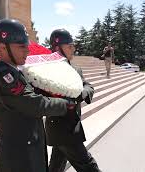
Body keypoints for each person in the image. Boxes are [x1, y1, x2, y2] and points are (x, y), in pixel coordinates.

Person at [0, 19, 75, 172]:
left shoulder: (16, 72)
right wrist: (64, 104)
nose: (27, 50)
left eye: (26, 45)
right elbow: (34, 104)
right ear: (2, 47)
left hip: (28, 152)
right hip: (18, 159)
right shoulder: (4, 75)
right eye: (21, 46)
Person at [43, 29, 101, 172]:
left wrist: (82, 91)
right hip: (63, 129)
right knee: (88, 166)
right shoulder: (48, 71)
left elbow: (88, 86)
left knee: (56, 166)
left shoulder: (75, 69)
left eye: (73, 45)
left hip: (70, 126)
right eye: (69, 46)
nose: (73, 49)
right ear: (57, 48)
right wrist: (77, 92)